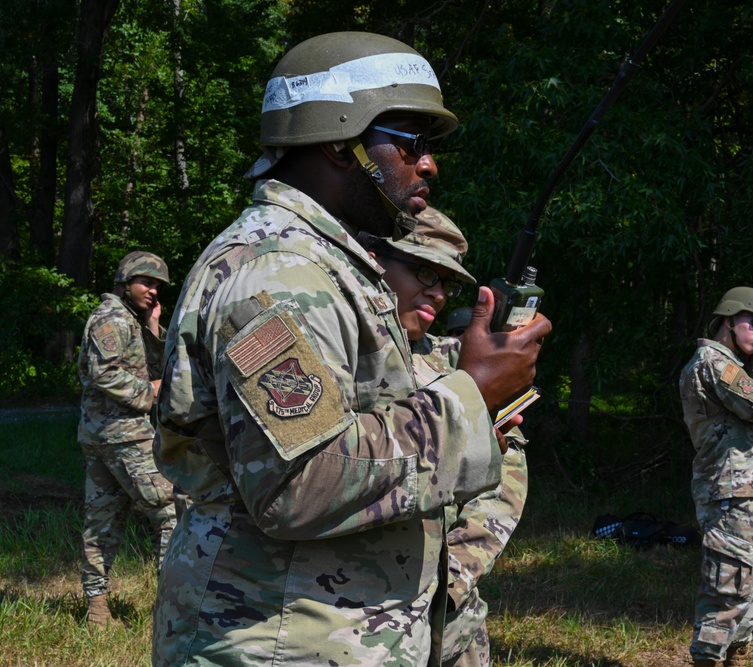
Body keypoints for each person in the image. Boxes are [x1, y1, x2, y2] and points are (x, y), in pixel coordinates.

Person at [151, 33, 550, 667]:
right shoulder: (276, 274)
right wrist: (471, 399)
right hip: (280, 642)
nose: (429, 165)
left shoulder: (330, 266)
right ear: (341, 141)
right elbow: (297, 484)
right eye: (411, 142)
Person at [362, 206, 528, 667]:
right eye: (423, 272)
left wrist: (454, 578)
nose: (436, 293)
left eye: (447, 283)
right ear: (373, 261)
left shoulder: (452, 368)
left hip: (450, 615)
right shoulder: (340, 358)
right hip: (366, 623)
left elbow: (504, 489)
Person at [679, 287, 753, 667]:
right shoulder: (715, 363)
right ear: (728, 319)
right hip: (728, 492)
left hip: (743, 491)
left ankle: (734, 656)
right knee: (728, 586)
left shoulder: (728, 366)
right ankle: (708, 657)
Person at [77, 250, 177, 627]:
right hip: (123, 435)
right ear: (124, 283)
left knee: (102, 522)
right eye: (146, 282)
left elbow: (155, 360)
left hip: (107, 435)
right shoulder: (112, 318)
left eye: (158, 285)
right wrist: (149, 392)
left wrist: (153, 324)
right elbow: (104, 374)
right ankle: (169, 609)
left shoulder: (130, 320)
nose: (153, 290)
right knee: (169, 513)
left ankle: (98, 613)